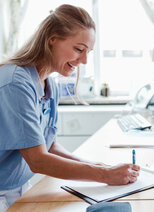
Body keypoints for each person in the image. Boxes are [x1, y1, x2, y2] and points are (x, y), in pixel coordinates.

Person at [0, 4, 139, 211]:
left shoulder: (49, 85)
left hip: (17, 187)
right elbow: (38, 160)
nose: (83, 60)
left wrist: (99, 166)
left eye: (88, 52)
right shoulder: (16, 83)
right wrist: (105, 175)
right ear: (52, 39)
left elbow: (49, 145)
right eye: (79, 49)